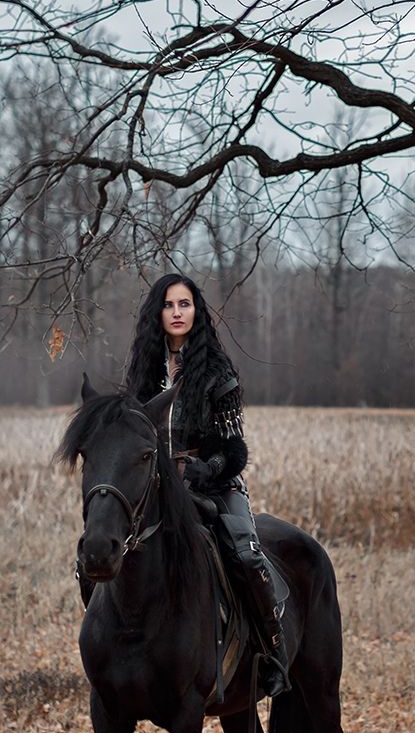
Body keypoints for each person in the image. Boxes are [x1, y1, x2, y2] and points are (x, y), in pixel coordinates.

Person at [121, 272, 291, 698]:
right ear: (156, 313)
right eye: (169, 305)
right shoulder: (142, 372)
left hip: (215, 486)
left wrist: (205, 469)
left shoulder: (217, 371)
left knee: (247, 555)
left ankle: (273, 655)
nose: (177, 312)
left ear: (196, 312)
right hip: (157, 487)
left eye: (185, 304)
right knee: (108, 542)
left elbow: (235, 450)